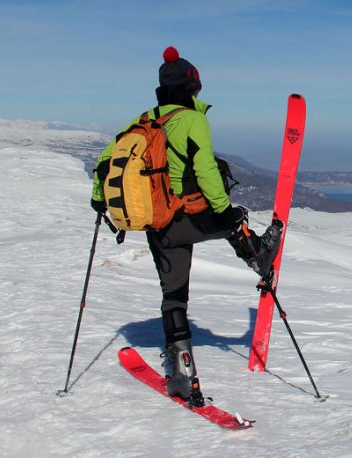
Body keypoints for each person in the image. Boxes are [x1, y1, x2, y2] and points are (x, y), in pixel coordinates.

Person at [90, 46, 279, 407]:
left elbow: (103, 163)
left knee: (174, 297)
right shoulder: (192, 119)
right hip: (183, 218)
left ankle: (181, 377)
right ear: (193, 87)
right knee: (232, 220)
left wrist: (99, 199)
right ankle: (257, 253)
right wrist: (224, 210)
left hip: (155, 224)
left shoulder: (142, 121)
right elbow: (205, 170)